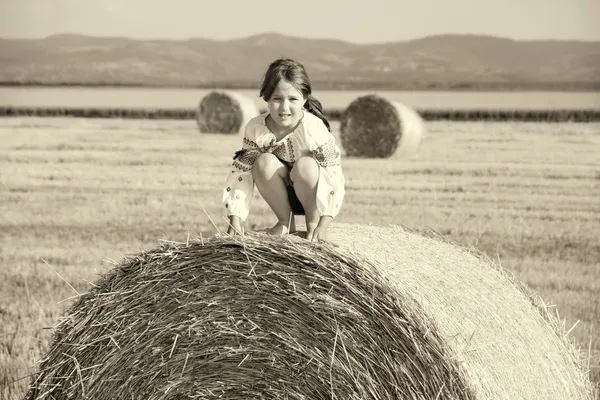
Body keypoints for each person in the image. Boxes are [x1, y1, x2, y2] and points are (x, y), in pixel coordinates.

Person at [222, 58, 345, 242]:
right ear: (266, 99)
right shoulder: (256, 129)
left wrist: (323, 223)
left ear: (304, 99)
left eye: (293, 99)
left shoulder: (313, 128)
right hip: (281, 195)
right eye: (277, 99)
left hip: (315, 196)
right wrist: (235, 217)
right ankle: (285, 222)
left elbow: (332, 174)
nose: (284, 107)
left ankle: (312, 224)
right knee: (262, 162)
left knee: (306, 165)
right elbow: (241, 173)